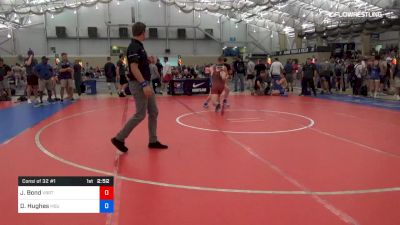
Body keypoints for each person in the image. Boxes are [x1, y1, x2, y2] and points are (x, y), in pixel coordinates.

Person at [111, 22, 168, 153]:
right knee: (140, 114)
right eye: (145, 31)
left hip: (145, 83)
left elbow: (138, 64)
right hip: (139, 84)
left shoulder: (139, 47)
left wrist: (146, 60)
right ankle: (119, 138)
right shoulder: (133, 47)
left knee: (153, 111)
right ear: (142, 32)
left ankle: (153, 141)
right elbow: (133, 68)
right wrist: (144, 84)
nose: (146, 33)